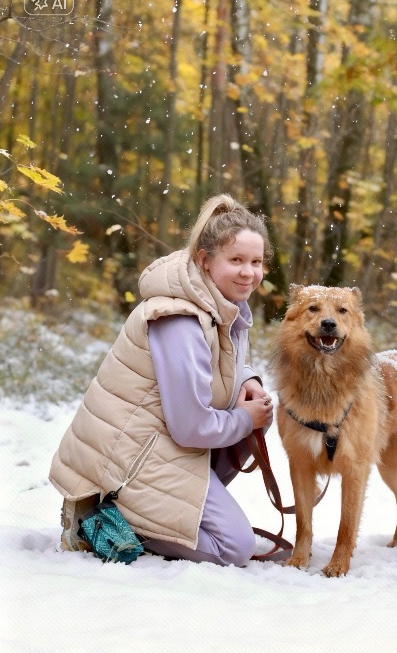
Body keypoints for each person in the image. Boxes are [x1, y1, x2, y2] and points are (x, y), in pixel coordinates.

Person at [49, 193, 274, 566]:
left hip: (159, 443)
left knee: (255, 414)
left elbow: (214, 365)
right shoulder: (180, 320)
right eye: (235, 260)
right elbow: (190, 427)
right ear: (204, 260)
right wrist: (244, 419)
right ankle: (105, 517)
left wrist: (248, 379)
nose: (248, 272)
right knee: (233, 547)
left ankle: (175, 512)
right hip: (131, 459)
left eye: (256, 262)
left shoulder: (218, 303)